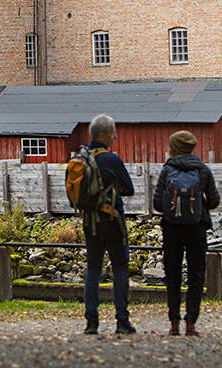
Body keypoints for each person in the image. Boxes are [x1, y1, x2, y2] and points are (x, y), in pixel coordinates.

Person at [153, 130, 220, 337]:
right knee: (196, 275)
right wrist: (199, 206)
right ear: (192, 147)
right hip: (197, 227)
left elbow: (157, 203)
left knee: (172, 275)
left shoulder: (167, 170)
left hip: (172, 228)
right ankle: (191, 322)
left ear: (173, 147)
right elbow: (215, 200)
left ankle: (174, 322)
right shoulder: (202, 170)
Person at [82, 113, 136, 335]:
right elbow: (129, 188)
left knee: (93, 268)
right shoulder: (111, 159)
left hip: (89, 220)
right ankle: (122, 320)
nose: (116, 136)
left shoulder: (81, 158)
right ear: (103, 135)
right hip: (112, 220)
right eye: (113, 132)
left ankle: (91, 322)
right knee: (120, 267)